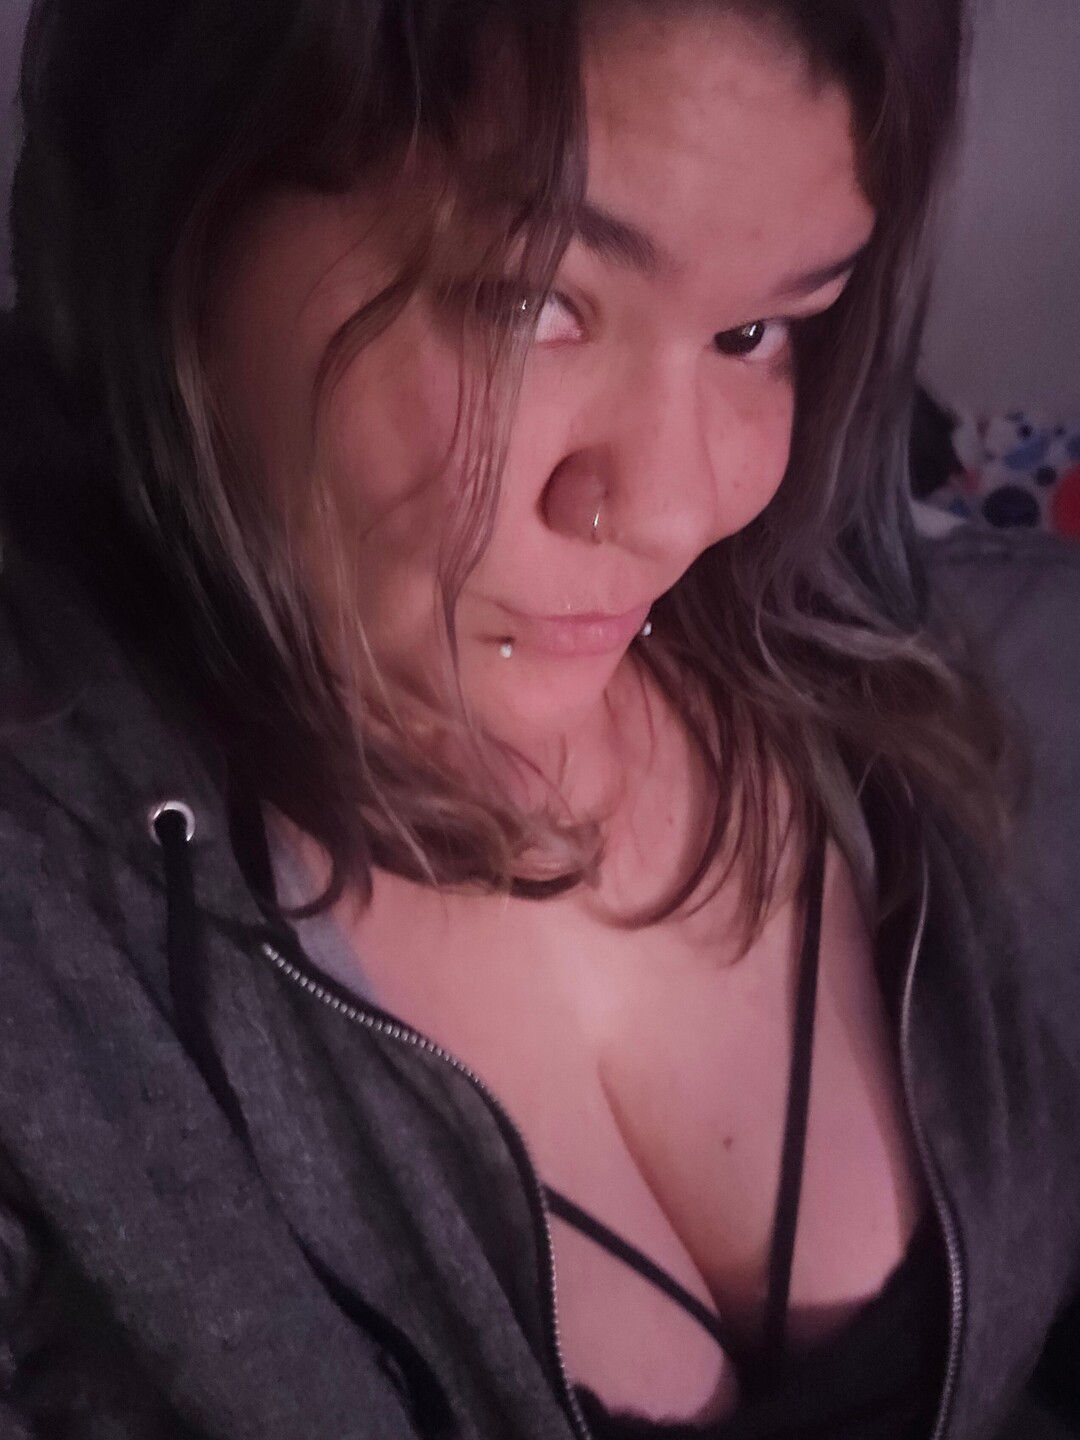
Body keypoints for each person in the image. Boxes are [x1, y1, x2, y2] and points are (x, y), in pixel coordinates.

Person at [0, 0, 1077, 1435]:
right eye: (527, 302)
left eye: (755, 331)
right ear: (175, 208)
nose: (680, 508)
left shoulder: (818, 612)